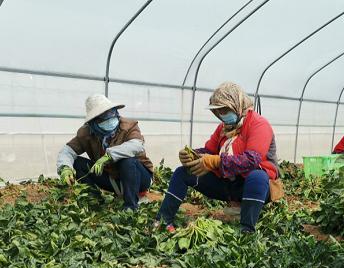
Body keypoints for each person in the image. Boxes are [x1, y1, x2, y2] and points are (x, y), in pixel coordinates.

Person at [155, 82, 281, 233]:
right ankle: (163, 221)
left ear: (237, 104)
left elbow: (251, 160)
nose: (222, 114)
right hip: (227, 184)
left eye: (225, 109)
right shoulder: (223, 128)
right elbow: (209, 150)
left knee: (257, 176)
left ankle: (247, 229)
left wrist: (215, 160)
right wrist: (191, 154)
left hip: (254, 186)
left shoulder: (258, 124)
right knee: (183, 172)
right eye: (218, 111)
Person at [56, 94, 153, 210]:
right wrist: (65, 167)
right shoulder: (86, 133)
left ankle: (131, 207)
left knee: (127, 161)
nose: (109, 118)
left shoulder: (129, 126)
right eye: (103, 117)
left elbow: (136, 145)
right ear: (93, 122)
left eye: (111, 113)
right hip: (112, 180)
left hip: (139, 179)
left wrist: (109, 155)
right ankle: (94, 200)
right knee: (77, 163)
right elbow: (67, 151)